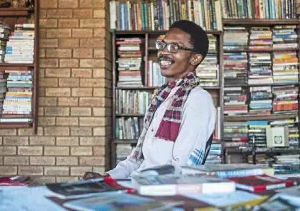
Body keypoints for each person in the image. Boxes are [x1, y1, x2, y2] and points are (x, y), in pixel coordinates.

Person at [83, 20, 216, 180]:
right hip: (139, 184)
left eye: (174, 47)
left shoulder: (198, 100)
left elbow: (181, 170)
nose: (163, 52)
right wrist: (106, 178)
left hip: (161, 193)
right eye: (163, 45)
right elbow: (137, 160)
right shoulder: (162, 97)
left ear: (195, 59)